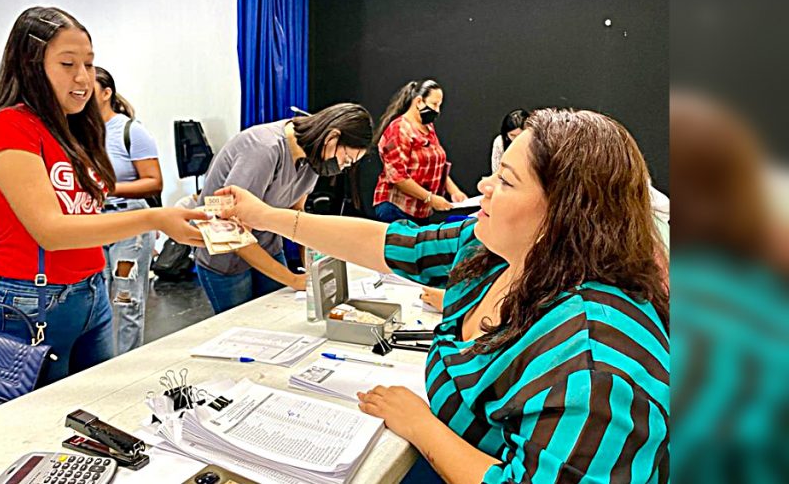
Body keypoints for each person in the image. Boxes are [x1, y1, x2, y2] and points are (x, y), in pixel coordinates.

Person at [217, 108, 669, 483]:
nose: (484, 188)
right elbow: (389, 244)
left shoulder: (596, 366)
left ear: (566, 212)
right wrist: (268, 216)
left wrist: (421, 425)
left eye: (506, 181)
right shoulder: (493, 246)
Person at [0, 6, 205, 385]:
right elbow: (51, 231)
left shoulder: (74, 128)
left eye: (89, 64)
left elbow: (87, 213)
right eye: (67, 64)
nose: (82, 78)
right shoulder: (9, 126)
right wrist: (154, 218)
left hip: (91, 289)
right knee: (35, 425)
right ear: (31, 65)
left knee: (92, 407)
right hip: (34, 297)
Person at [195, 103, 372, 314]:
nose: (342, 167)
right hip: (226, 256)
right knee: (244, 324)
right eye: (346, 159)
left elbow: (297, 215)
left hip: (267, 245)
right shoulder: (263, 149)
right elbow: (234, 233)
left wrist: (311, 267)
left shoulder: (314, 156)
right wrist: (293, 280)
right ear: (332, 137)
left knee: (277, 316)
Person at [93, 66, 162, 355]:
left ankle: (124, 365)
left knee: (126, 299)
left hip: (129, 223)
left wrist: (109, 188)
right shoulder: (79, 132)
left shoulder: (130, 131)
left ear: (107, 93)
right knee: (97, 300)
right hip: (93, 222)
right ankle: (102, 364)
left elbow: (154, 182)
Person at [373, 79, 468, 225]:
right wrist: (430, 198)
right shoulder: (399, 129)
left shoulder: (428, 127)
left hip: (420, 211)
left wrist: (454, 191)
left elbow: (439, 164)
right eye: (434, 104)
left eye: (439, 105)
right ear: (419, 102)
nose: (437, 110)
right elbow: (398, 178)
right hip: (396, 209)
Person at [490, 108, 529, 173]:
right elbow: (496, 171)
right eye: (513, 135)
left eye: (520, 135)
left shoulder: (536, 143)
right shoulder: (500, 143)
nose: (517, 139)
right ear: (506, 135)